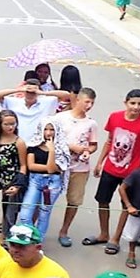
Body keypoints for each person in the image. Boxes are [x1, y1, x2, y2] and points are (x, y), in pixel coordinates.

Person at [87, 90, 140, 257]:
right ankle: (104, 233)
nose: (136, 107)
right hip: (110, 167)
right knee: (103, 201)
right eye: (133, 103)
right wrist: (100, 162)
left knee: (127, 205)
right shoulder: (114, 117)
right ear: (126, 102)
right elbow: (110, 140)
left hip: (132, 172)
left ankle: (116, 238)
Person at [55, 87, 99, 247]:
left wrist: (87, 151)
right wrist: (71, 146)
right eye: (87, 101)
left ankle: (64, 231)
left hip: (80, 167)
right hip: (58, 165)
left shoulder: (91, 123)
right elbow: (50, 139)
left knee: (74, 200)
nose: (89, 105)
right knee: (46, 198)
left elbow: (93, 145)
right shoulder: (60, 118)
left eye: (92, 103)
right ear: (78, 100)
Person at [17, 118, 70, 238]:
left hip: (53, 184)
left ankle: (37, 241)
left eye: (52, 129)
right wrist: (49, 166)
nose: (49, 132)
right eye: (46, 129)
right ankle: (29, 237)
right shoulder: (33, 145)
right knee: (25, 213)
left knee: (44, 213)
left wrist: (51, 150)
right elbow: (31, 165)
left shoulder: (61, 148)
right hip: (35, 181)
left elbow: (53, 170)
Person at [0, 79, 67, 140]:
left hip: (38, 143)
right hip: (17, 141)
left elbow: (66, 95)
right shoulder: (15, 101)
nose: (30, 94)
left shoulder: (46, 102)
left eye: (33, 93)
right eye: (28, 92)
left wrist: (42, 92)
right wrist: (19, 90)